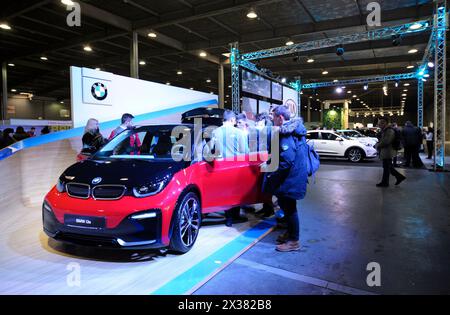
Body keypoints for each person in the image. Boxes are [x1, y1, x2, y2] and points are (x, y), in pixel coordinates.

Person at [262, 106, 309, 252]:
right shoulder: (295, 130)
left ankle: (294, 241)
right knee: (288, 208)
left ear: (280, 118)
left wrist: (271, 173)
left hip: (290, 180)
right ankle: (290, 233)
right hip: (294, 177)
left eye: (273, 117)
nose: (272, 120)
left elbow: (286, 162)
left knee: (290, 209)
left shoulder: (286, 134)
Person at [210, 110, 249, 227]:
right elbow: (245, 152)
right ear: (232, 120)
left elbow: (212, 149)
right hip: (236, 167)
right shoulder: (239, 132)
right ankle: (234, 217)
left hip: (220, 167)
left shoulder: (215, 132)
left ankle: (228, 217)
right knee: (236, 192)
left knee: (225, 192)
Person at [375, 118, 406, 187]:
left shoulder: (389, 130)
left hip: (388, 151)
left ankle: (385, 182)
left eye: (380, 123)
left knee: (387, 167)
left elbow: (386, 141)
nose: (379, 125)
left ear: (384, 123)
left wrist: (378, 145)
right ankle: (398, 177)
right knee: (388, 167)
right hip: (387, 151)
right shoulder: (386, 130)